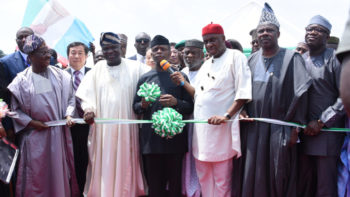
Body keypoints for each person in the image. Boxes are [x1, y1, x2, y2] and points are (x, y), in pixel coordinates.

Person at [233, 3, 312, 197]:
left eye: (270, 30)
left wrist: (296, 128)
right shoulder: (250, 60)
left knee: (279, 175)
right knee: (252, 174)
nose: (265, 33)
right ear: (256, 35)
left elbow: (302, 95)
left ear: (278, 34)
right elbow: (241, 92)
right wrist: (241, 111)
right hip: (253, 129)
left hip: (280, 129)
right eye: (261, 31)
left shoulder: (292, 58)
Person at [172, 23, 252, 197]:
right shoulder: (207, 64)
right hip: (201, 134)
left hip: (221, 131)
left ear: (223, 39)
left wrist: (227, 115)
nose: (209, 45)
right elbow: (198, 95)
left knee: (222, 181)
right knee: (204, 177)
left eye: (213, 40)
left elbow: (243, 92)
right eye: (206, 42)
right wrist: (183, 83)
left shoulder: (235, 57)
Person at [76, 32, 148, 197]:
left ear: (121, 48)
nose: (110, 51)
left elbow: (153, 80)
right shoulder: (97, 70)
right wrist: (88, 109)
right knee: (104, 161)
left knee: (127, 160)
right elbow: (86, 96)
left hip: (128, 128)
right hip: (103, 132)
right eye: (106, 48)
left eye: (113, 47)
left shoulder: (136, 67)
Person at [8, 34, 79, 197]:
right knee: (37, 178)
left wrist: (69, 115)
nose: (48, 55)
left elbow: (70, 99)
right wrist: (32, 122)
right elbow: (14, 110)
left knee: (57, 177)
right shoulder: (20, 81)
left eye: (47, 51)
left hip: (57, 136)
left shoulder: (61, 75)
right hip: (35, 138)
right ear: (31, 56)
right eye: (42, 52)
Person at [133, 35, 193, 197]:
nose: (159, 51)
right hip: (151, 143)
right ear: (151, 52)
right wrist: (144, 104)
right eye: (155, 49)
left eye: (163, 49)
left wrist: (176, 102)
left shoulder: (180, 77)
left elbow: (190, 107)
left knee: (175, 185)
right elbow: (136, 107)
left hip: (175, 141)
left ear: (169, 52)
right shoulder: (145, 78)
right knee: (154, 187)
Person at [298, 15, 346, 197]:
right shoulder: (299, 59)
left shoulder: (335, 59)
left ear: (327, 36)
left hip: (326, 135)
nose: (311, 33)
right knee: (304, 184)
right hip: (302, 134)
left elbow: (344, 97)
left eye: (317, 30)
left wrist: (321, 121)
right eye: (309, 29)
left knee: (324, 187)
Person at [65, 42, 91, 196]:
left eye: (80, 53)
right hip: (69, 127)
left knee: (90, 162)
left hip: (91, 126)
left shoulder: (93, 74)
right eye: (73, 52)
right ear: (68, 55)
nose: (76, 56)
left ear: (86, 56)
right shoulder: (59, 75)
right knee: (73, 163)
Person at [179, 39, 204, 197]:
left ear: (202, 54)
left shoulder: (208, 72)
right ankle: (187, 188)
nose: (188, 56)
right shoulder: (182, 72)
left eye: (193, 52)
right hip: (185, 121)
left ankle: (199, 189)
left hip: (201, 122)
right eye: (186, 53)